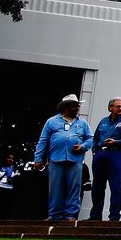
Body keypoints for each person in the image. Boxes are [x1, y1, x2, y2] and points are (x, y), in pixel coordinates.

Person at [33, 93, 92, 223]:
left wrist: (82, 146)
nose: (77, 108)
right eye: (74, 106)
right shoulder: (52, 121)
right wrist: (38, 159)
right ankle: (54, 214)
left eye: (78, 106)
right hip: (55, 159)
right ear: (66, 107)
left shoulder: (82, 123)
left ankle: (70, 215)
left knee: (74, 188)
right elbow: (43, 140)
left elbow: (90, 138)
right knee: (55, 188)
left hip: (75, 160)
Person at [89, 97, 121, 222]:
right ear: (110, 108)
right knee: (97, 186)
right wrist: (95, 151)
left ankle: (114, 217)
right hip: (101, 155)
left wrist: (116, 142)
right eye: (118, 106)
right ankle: (95, 216)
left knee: (115, 186)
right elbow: (96, 138)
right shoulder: (103, 121)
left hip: (116, 155)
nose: (120, 109)